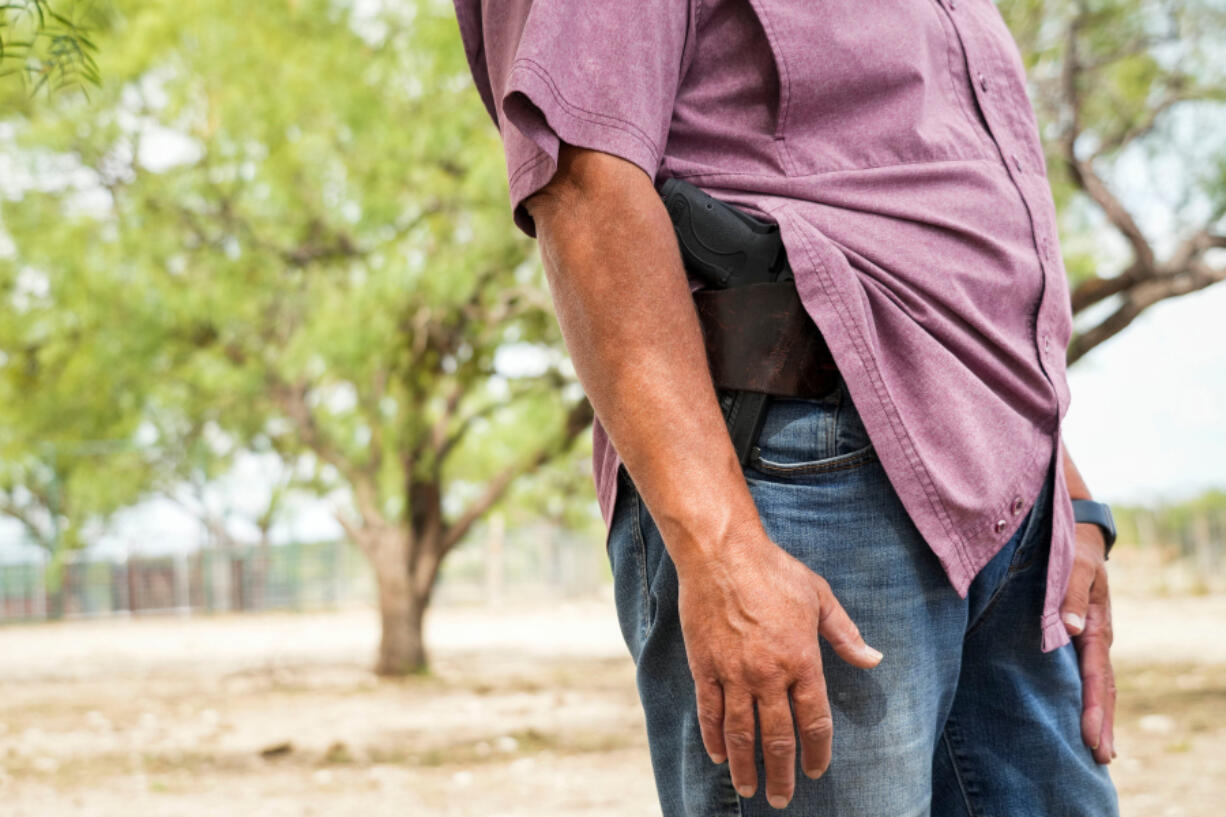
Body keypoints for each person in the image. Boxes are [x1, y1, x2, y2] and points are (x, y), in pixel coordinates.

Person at [451, 1, 1121, 814]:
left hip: (1009, 497)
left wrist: (1062, 481)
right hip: (804, 482)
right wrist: (722, 550)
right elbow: (586, 182)